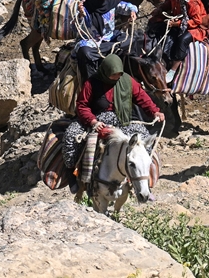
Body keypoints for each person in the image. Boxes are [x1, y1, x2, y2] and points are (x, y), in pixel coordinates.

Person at [63, 54, 162, 190]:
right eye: (113, 75)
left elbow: (141, 97)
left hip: (123, 120)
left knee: (145, 139)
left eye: (119, 74)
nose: (116, 77)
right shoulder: (91, 83)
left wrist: (154, 111)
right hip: (98, 120)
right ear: (105, 72)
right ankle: (72, 174)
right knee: (71, 134)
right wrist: (93, 122)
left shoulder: (128, 81)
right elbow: (82, 105)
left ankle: (144, 179)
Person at [73, 0, 138, 81]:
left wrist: (132, 11)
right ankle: (90, 81)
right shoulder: (84, 8)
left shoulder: (110, 2)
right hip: (92, 41)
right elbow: (75, 27)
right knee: (85, 52)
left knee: (130, 40)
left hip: (110, 36)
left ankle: (132, 73)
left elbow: (126, 6)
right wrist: (81, 15)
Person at [146, 0, 206, 77]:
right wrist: (160, 9)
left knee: (183, 40)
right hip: (179, 21)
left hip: (195, 28)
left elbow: (197, 21)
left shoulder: (191, 0)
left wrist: (177, 23)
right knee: (155, 24)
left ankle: (174, 68)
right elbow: (169, 3)